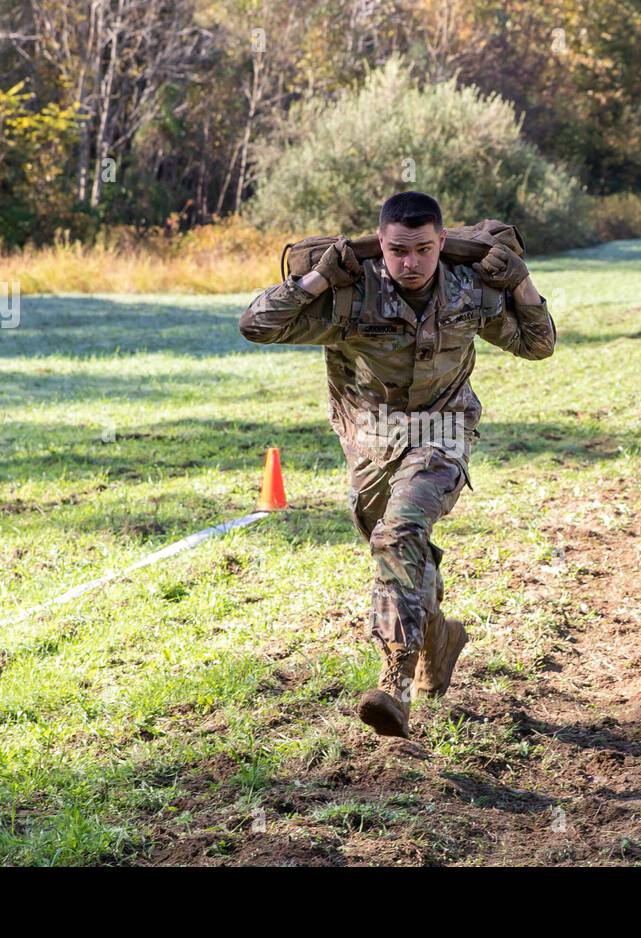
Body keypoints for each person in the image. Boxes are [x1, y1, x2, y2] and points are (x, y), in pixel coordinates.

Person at [238, 191, 556, 737]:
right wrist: (317, 280)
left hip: (443, 434)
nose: (410, 264)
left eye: (424, 250)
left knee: (398, 534)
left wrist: (520, 283)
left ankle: (395, 683)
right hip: (372, 443)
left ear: (440, 244)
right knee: (399, 553)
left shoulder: (468, 288)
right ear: (380, 244)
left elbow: (538, 343)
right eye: (397, 251)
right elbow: (256, 326)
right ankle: (438, 635)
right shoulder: (349, 294)